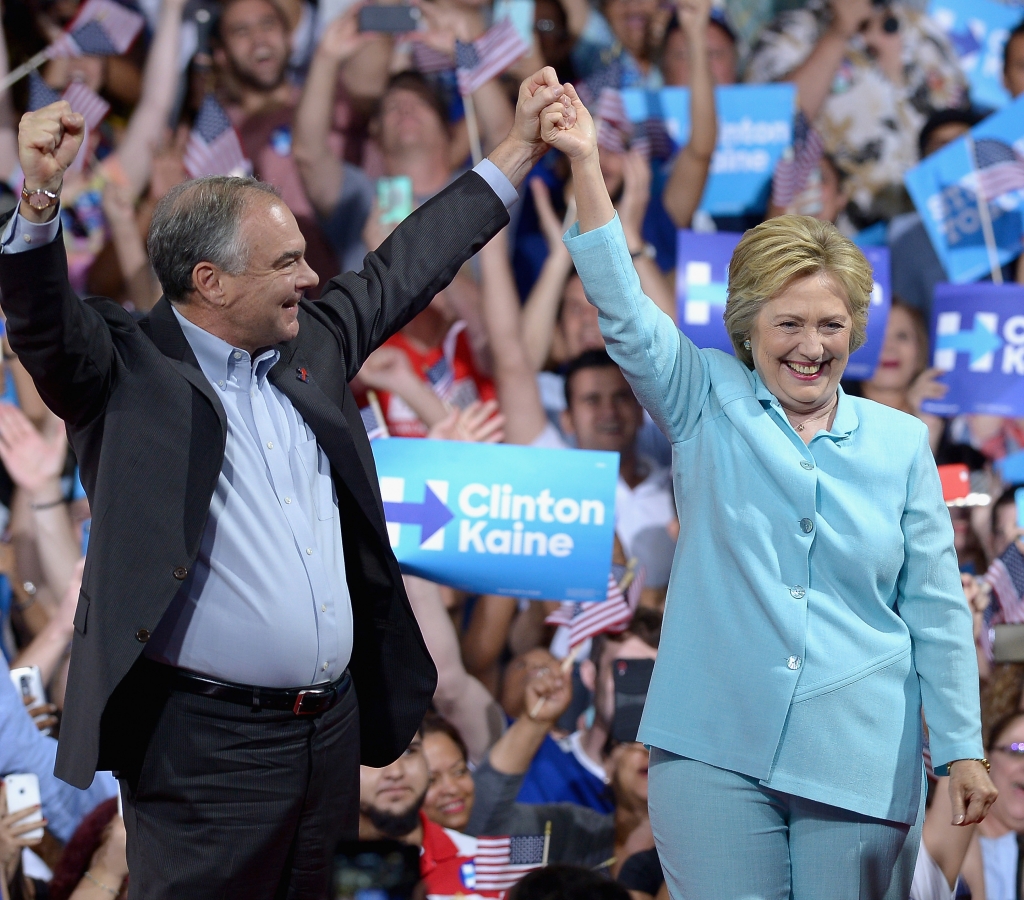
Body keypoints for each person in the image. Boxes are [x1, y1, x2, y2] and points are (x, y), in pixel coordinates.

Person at [0, 67, 566, 898]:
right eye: (287, 262)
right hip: (201, 747)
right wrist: (41, 202)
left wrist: (517, 148)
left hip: (331, 731)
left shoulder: (315, 343)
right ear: (211, 282)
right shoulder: (124, 367)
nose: (310, 278)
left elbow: (408, 263)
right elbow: (44, 325)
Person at [538, 83, 996, 898]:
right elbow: (621, 307)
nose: (811, 346)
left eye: (830, 324)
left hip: (859, 754)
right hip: (711, 746)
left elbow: (934, 607)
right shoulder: (701, 396)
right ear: (746, 328)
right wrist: (583, 163)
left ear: (856, 326)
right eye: (788, 324)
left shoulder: (900, 443)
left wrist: (962, 747)